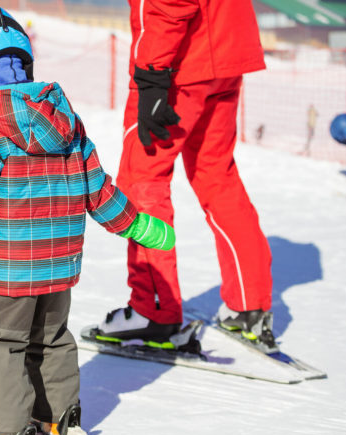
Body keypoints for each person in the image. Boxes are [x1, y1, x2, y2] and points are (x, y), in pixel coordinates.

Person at [0, 5, 175, 435]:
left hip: (4, 270)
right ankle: (59, 419)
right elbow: (98, 188)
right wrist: (136, 224)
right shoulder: (65, 119)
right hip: (58, 269)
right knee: (51, 337)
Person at [92, 0, 276, 351]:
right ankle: (249, 303)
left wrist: (151, 76)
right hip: (223, 53)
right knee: (216, 174)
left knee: (143, 178)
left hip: (177, 65)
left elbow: (165, 4)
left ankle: (154, 312)